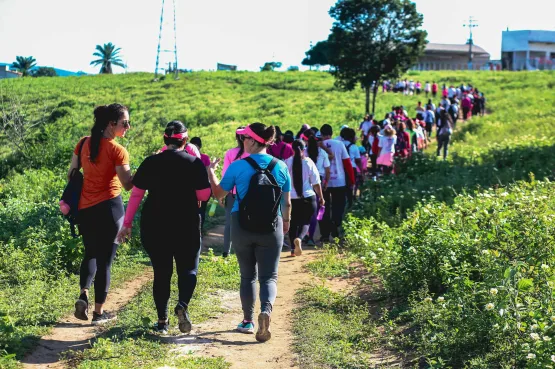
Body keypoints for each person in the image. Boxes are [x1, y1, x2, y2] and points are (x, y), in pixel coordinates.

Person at [117, 121, 211, 334]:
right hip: (186, 224)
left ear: (164, 140)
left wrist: (127, 223)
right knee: (188, 268)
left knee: (161, 272)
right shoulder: (194, 163)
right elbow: (204, 195)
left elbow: (136, 194)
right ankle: (182, 306)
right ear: (185, 141)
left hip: (155, 225)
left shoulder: (151, 162)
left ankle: (162, 322)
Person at [207, 123, 291, 343]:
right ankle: (266, 311)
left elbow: (219, 194)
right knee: (269, 276)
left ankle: (247, 321)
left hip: (242, 225)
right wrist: (287, 223)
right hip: (272, 226)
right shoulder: (281, 166)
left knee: (247, 275)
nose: (242, 141)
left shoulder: (237, 166)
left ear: (253, 141)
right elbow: (287, 202)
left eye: (245, 138)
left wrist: (211, 172)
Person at [70, 104, 133, 325]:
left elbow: (71, 174)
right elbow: (127, 185)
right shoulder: (117, 150)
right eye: (125, 123)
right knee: (105, 261)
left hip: (86, 208)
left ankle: (83, 294)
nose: (128, 127)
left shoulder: (83, 143)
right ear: (111, 124)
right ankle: (98, 313)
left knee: (90, 254)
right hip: (111, 209)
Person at [284, 140, 324, 256]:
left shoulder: (286, 162)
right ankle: (300, 238)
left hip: (291, 198)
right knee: (305, 222)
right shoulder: (309, 162)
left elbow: (283, 182)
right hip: (308, 197)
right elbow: (316, 183)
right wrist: (321, 197)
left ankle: (292, 249)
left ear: (292, 149)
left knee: (293, 222)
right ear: (304, 149)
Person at [318, 124, 355, 242]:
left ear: (321, 134)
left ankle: (324, 234)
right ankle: (335, 230)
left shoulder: (319, 146)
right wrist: (352, 180)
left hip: (323, 182)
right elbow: (347, 163)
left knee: (324, 207)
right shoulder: (339, 144)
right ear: (332, 133)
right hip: (339, 181)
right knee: (338, 206)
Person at [221, 127, 250, 258]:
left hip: (232, 194)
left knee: (229, 224)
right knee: (248, 222)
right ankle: (246, 251)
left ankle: (226, 252)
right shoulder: (252, 154)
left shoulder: (230, 153)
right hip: (249, 194)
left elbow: (226, 176)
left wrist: (222, 194)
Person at [303, 129, 330, 246]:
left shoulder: (304, 153)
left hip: (305, 182)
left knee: (304, 211)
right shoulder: (323, 153)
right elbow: (327, 170)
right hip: (318, 181)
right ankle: (311, 237)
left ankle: (303, 235)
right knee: (314, 211)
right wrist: (326, 183)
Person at [190, 137, 211, 231]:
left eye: (196, 147)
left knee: (201, 211)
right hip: (193, 188)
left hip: (201, 187)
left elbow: (207, 174)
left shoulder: (205, 158)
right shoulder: (188, 157)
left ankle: (199, 231)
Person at [342, 128, 362, 208]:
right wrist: (362, 171)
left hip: (341, 168)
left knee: (342, 186)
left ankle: (343, 203)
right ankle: (350, 203)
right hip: (352, 168)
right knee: (350, 187)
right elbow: (358, 161)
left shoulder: (339, 144)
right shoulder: (354, 147)